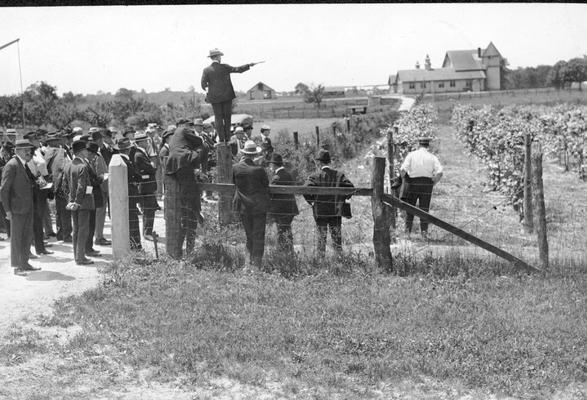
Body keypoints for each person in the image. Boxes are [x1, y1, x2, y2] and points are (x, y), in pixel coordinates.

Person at [164, 119, 206, 259]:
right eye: (191, 126)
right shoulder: (184, 129)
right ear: (187, 125)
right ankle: (195, 211)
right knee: (190, 199)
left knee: (185, 194)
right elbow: (199, 140)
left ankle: (193, 210)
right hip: (183, 161)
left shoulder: (176, 134)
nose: (192, 128)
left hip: (174, 164)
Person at [0, 139, 41, 275]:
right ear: (17, 151)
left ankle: (24, 263)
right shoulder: (11, 165)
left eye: (29, 149)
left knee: (27, 236)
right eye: (25, 150)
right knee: (17, 238)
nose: (29, 152)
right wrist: (7, 210)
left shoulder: (22, 164)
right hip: (16, 209)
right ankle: (17, 267)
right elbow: (4, 190)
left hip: (26, 207)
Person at [304, 149, 354, 257]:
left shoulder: (314, 176)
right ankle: (339, 260)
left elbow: (305, 189)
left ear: (319, 162)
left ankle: (321, 261)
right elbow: (350, 188)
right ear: (329, 162)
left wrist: (312, 202)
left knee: (321, 239)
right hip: (335, 211)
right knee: (337, 239)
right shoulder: (339, 175)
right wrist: (343, 198)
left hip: (320, 211)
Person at [201, 48, 257, 142]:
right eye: (220, 56)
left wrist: (209, 91)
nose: (220, 58)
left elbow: (203, 85)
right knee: (227, 118)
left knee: (218, 118)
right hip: (227, 97)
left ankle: (221, 139)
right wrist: (248, 65)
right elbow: (238, 69)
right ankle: (227, 138)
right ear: (218, 57)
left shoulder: (206, 70)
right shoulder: (225, 67)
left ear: (211, 58)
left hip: (214, 98)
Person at [232, 140, 270, 268]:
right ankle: (257, 265)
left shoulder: (236, 168)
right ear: (254, 155)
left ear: (244, 153)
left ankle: (248, 265)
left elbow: (234, 184)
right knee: (259, 235)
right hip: (258, 207)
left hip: (243, 207)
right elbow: (266, 185)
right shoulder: (259, 170)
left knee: (249, 236)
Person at [399, 136, 443, 239]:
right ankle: (424, 234)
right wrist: (433, 182)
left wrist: (405, 181)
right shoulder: (432, 157)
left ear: (418, 144)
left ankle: (407, 233)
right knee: (424, 209)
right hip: (426, 184)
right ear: (428, 145)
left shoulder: (411, 155)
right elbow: (440, 172)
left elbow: (402, 170)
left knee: (410, 208)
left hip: (412, 183)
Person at [64, 140, 95, 265]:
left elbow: (64, 186)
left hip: (73, 203)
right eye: (86, 150)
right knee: (83, 230)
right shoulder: (83, 166)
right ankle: (81, 257)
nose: (87, 152)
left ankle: (77, 256)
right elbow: (82, 187)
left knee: (76, 230)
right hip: (83, 202)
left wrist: (70, 201)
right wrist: (77, 202)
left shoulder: (68, 165)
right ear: (82, 151)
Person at [267, 153, 298, 255]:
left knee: (281, 231)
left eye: (271, 164)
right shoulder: (288, 174)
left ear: (274, 165)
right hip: (290, 208)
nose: (270, 166)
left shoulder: (276, 178)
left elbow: (271, 194)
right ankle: (289, 252)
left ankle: (281, 253)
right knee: (286, 230)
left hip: (281, 210)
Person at [116, 137, 143, 250]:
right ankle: (135, 244)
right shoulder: (126, 162)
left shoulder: (119, 161)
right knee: (132, 220)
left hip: (124, 195)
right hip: (130, 195)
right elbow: (136, 176)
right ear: (128, 150)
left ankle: (131, 243)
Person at [133, 132, 160, 241]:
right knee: (148, 210)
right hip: (145, 187)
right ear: (140, 142)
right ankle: (147, 232)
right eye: (145, 141)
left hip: (147, 186)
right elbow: (151, 168)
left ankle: (147, 231)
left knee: (149, 209)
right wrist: (152, 167)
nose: (147, 142)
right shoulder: (139, 155)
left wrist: (152, 167)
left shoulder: (142, 153)